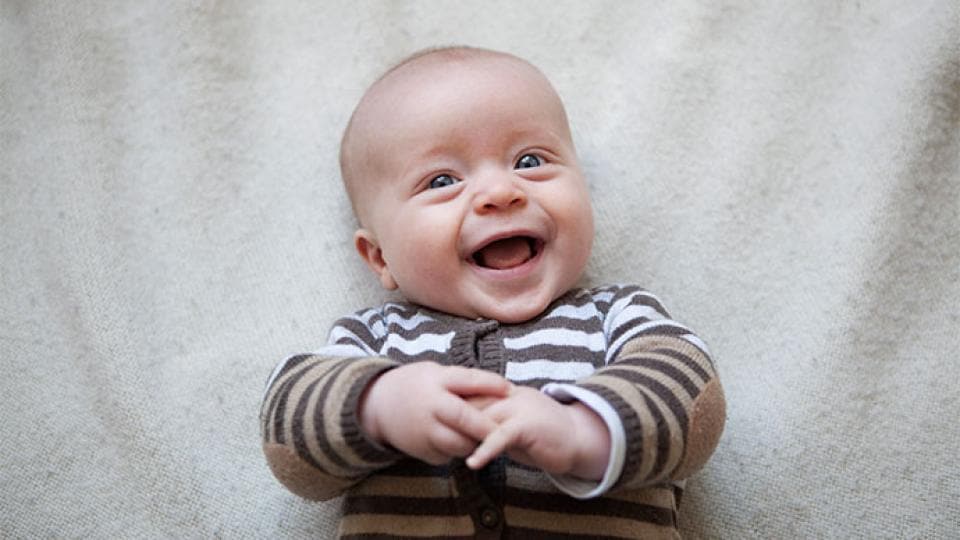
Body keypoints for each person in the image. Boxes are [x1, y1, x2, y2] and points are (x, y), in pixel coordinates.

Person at [260, 46, 726, 539]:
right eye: (442, 180)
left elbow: (696, 402)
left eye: (529, 160)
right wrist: (377, 406)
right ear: (380, 258)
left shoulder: (615, 315)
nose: (501, 192)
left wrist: (581, 432)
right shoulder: (376, 340)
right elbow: (286, 443)